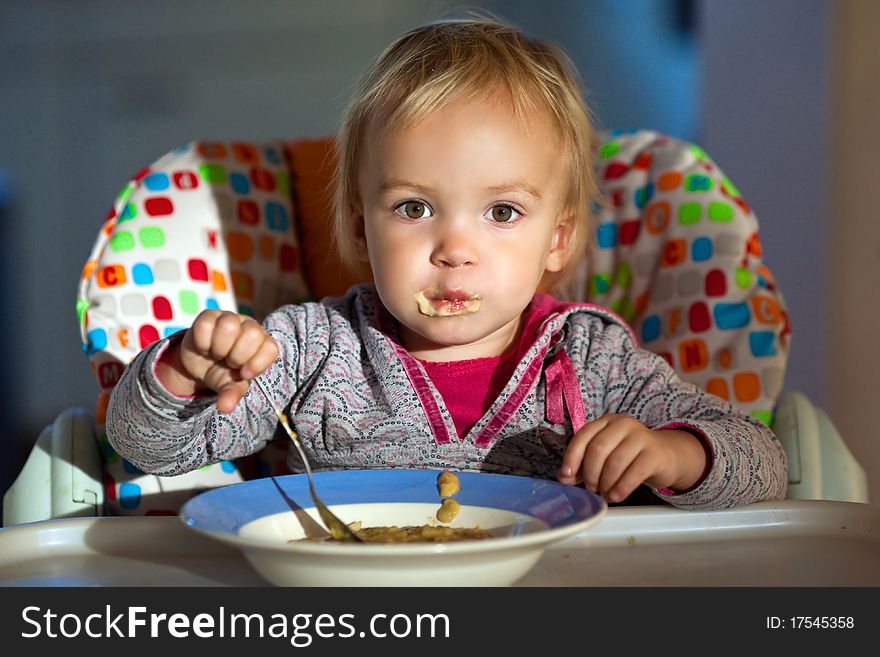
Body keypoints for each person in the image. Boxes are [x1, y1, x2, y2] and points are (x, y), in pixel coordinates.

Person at [106, 18, 787, 510]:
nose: (454, 248)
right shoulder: (311, 350)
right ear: (358, 228)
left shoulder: (589, 359)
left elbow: (762, 464)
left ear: (558, 239)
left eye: (502, 212)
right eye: (413, 208)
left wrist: (674, 454)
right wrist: (181, 375)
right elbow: (149, 446)